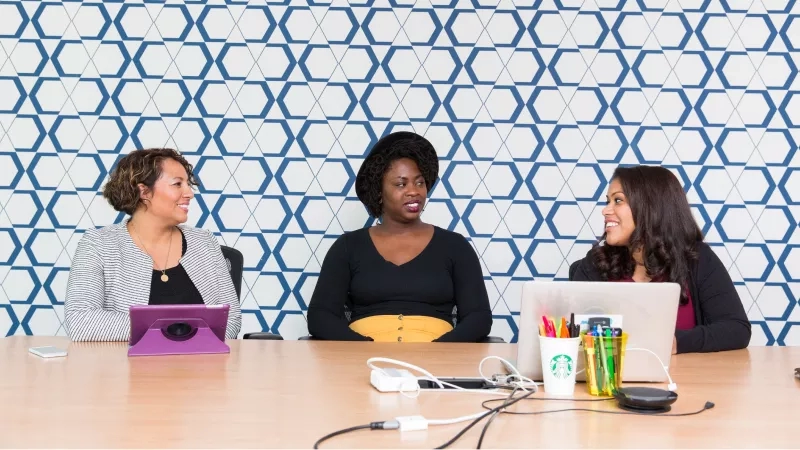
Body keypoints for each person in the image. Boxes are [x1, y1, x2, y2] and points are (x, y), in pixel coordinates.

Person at [306, 131, 493, 342]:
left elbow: (479, 317)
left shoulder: (455, 246)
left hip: (436, 362)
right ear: (379, 191)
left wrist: (438, 350)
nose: (414, 191)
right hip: (362, 359)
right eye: (401, 184)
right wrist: (364, 349)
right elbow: (320, 316)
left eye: (419, 183)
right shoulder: (348, 247)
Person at [64, 148, 242, 342]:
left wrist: (157, 329)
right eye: (177, 184)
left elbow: (230, 320)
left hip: (201, 368)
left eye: (188, 185)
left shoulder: (205, 242)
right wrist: (176, 329)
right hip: (125, 370)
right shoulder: (98, 245)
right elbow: (79, 321)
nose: (189, 193)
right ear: (144, 191)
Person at [570, 165, 751, 354]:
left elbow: (737, 329)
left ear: (651, 207)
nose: (606, 211)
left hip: (685, 380)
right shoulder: (594, 264)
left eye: (618, 200)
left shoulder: (697, 258)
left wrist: (675, 342)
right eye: (608, 201)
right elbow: (574, 337)